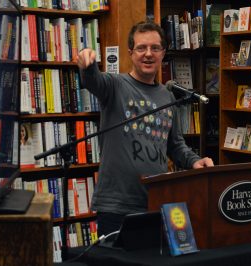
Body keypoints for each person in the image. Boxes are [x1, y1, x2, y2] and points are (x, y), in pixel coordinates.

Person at [77, 20, 214, 237]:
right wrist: (87, 62)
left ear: (163, 53)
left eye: (155, 48)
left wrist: (194, 161)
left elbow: (176, 145)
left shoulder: (167, 97)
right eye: (141, 48)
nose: (148, 54)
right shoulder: (115, 86)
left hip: (156, 202)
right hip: (116, 206)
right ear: (131, 52)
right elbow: (93, 81)